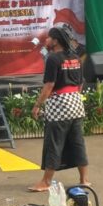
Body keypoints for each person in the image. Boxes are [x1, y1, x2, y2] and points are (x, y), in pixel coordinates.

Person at [28, 27, 90, 192]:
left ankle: (46, 182)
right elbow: (80, 83)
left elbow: (49, 85)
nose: (46, 40)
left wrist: (37, 105)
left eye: (49, 38)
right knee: (77, 142)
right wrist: (72, 97)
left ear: (55, 41)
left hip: (59, 104)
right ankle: (84, 180)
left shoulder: (53, 58)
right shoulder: (76, 58)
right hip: (76, 103)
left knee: (54, 143)